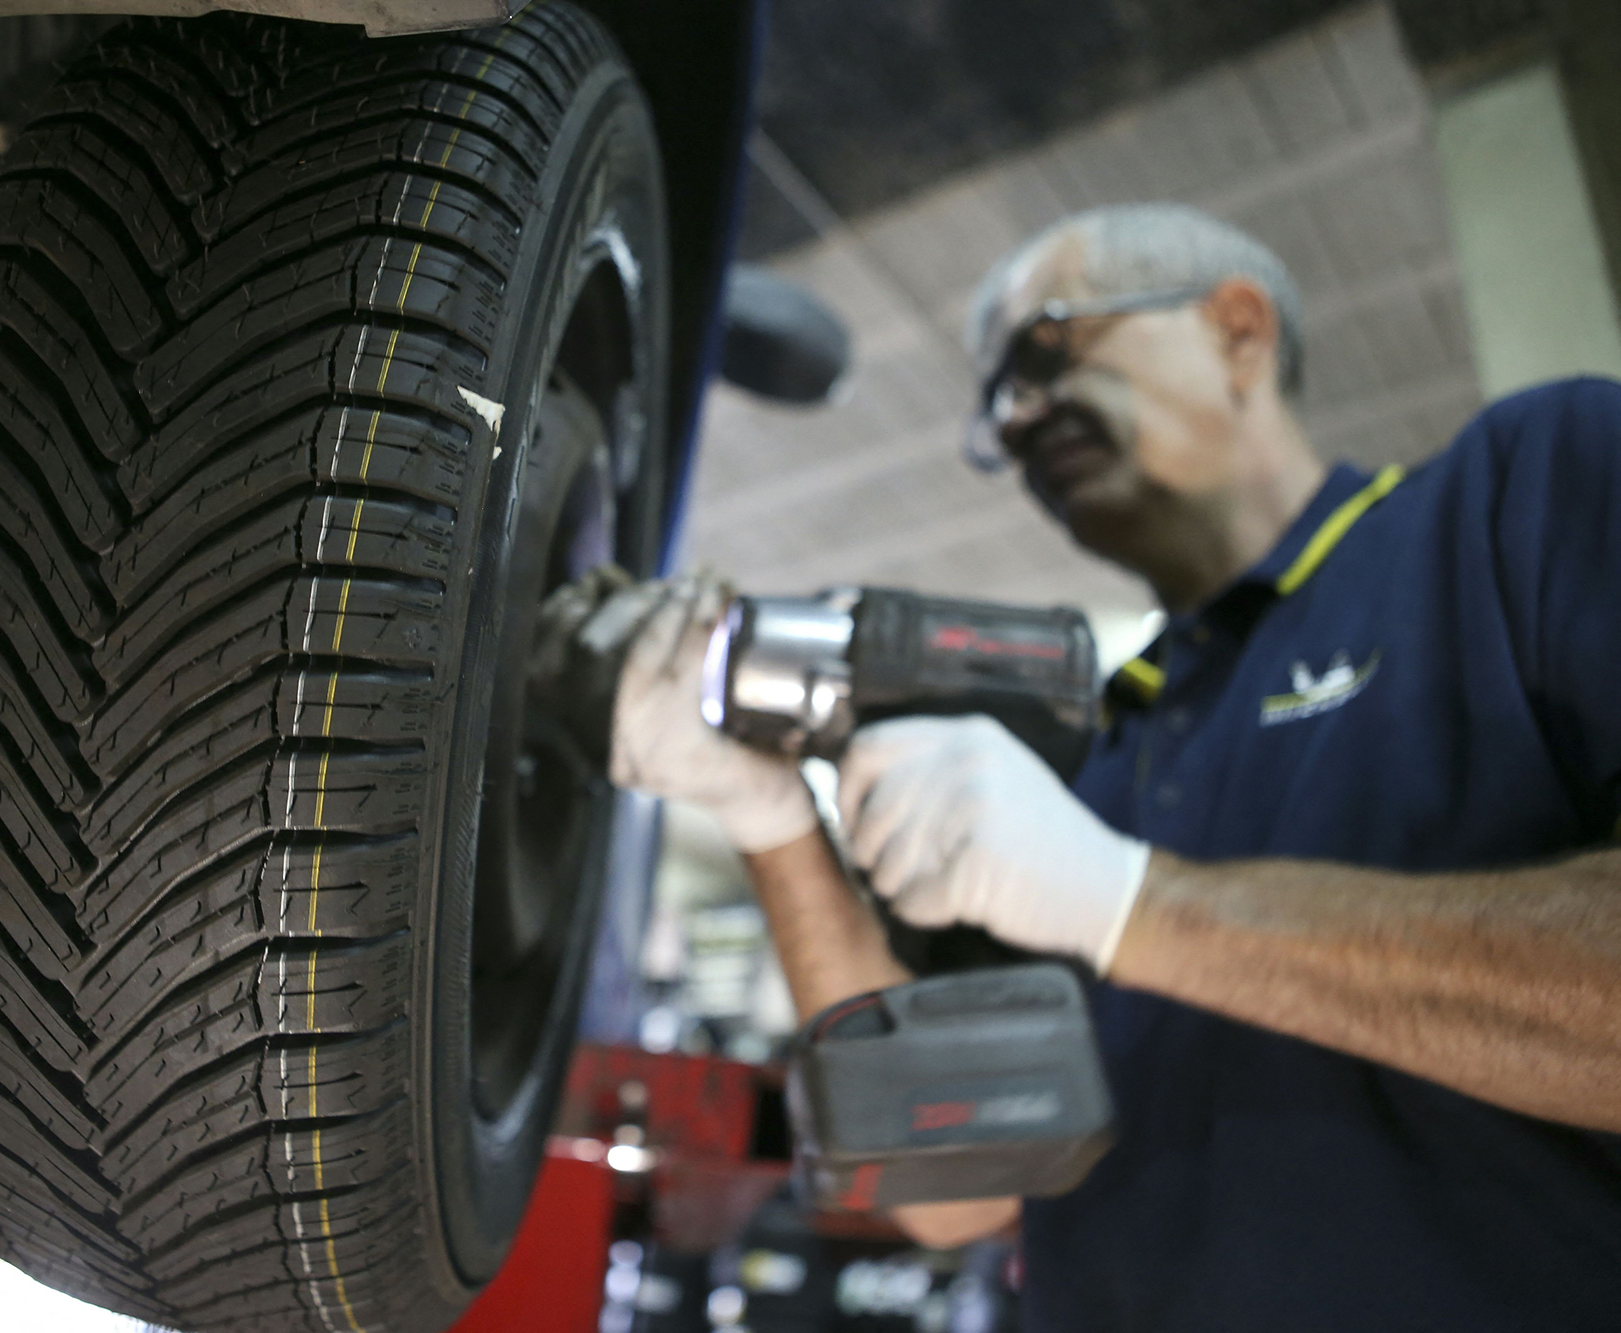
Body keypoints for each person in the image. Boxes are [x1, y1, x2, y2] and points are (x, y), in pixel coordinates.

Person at [606, 203, 1621, 1331]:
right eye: (996, 404)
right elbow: (957, 1190)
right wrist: (768, 819)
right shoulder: (1101, 742)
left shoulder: (1520, 494)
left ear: (1238, 332)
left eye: (1046, 350)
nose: (1018, 413)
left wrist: (1129, 904)